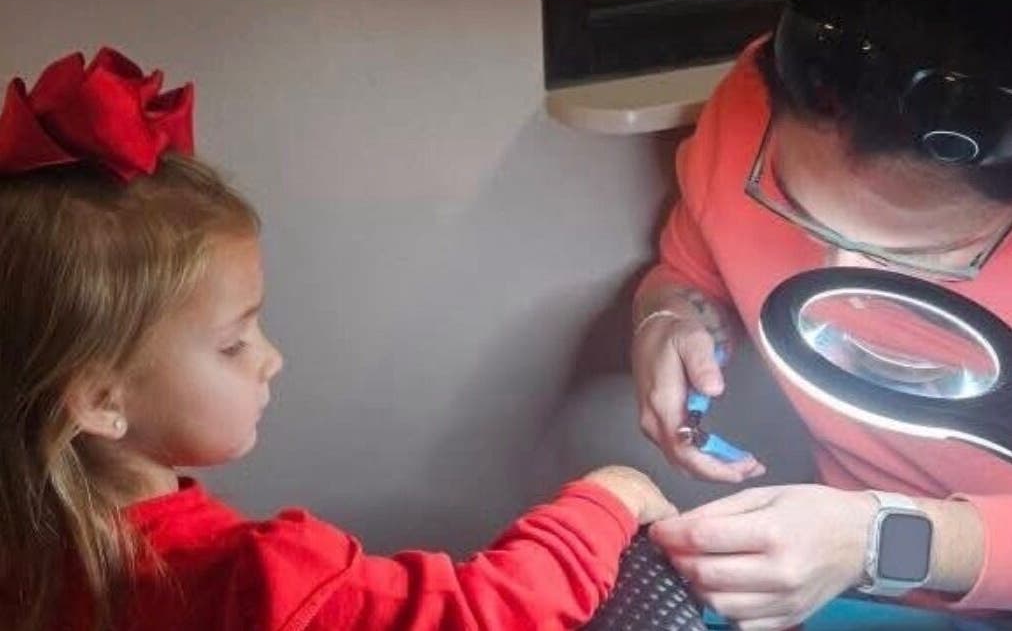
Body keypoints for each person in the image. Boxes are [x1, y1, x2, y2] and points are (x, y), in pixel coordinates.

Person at [0, 48, 678, 631]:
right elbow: (482, 614)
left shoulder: (30, 556)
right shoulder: (259, 581)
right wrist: (609, 496)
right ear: (97, 399)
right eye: (234, 344)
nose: (272, 360)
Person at [632, 0, 1012, 628]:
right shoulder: (748, 112)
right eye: (796, 209)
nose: (843, 276)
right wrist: (668, 316)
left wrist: (880, 541)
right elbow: (691, 268)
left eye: (915, 257)